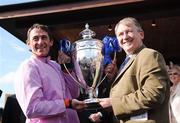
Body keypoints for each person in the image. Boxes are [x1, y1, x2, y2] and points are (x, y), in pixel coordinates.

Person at [90, 17, 170, 123]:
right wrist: (102, 113)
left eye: (129, 32)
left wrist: (113, 103)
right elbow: (125, 95)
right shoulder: (126, 62)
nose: (125, 37)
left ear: (141, 34)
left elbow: (153, 94)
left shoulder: (149, 55)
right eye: (120, 34)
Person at [14, 23, 86, 123]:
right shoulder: (28, 67)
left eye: (44, 37)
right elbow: (32, 109)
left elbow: (74, 94)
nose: (40, 42)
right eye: (35, 38)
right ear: (28, 44)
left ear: (51, 42)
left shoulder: (56, 66)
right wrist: (67, 104)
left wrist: (67, 69)